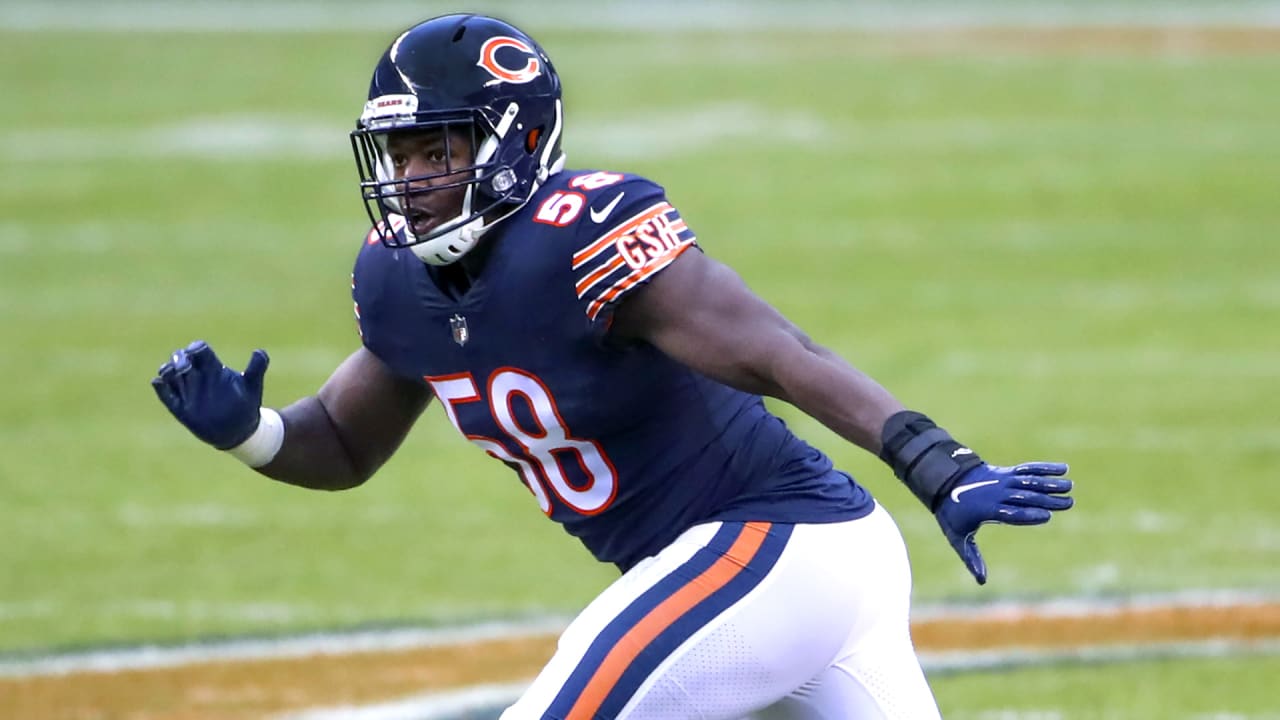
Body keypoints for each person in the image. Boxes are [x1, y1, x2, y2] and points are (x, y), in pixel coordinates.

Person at [151, 13, 1074, 720]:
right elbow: (346, 443)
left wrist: (937, 463)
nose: (414, 177)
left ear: (512, 144)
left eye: (439, 148)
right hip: (764, 568)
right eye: (400, 150)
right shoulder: (396, 278)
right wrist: (253, 435)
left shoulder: (581, 234)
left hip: (781, 545)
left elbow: (777, 353)